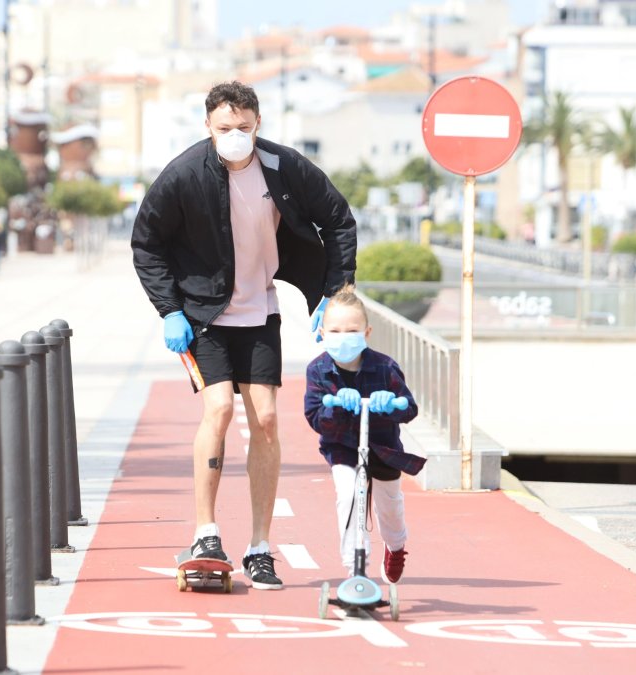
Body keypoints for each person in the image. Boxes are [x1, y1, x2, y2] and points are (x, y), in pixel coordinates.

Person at [131, 80, 357, 590]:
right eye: (225, 128)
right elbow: (147, 242)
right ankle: (205, 533)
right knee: (219, 410)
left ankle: (259, 546)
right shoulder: (184, 174)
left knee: (269, 421)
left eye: (245, 128)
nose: (235, 136)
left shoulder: (283, 166)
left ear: (259, 125)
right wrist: (170, 309)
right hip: (203, 316)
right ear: (207, 127)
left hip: (262, 313)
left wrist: (334, 290)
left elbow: (339, 220)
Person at [303, 285, 422, 583]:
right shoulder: (318, 371)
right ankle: (355, 568)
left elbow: (409, 409)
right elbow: (316, 418)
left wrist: (389, 404)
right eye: (335, 330)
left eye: (351, 330)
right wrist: (337, 407)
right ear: (322, 332)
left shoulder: (385, 367)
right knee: (348, 497)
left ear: (367, 332)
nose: (344, 337)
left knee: (390, 506)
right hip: (343, 447)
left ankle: (395, 547)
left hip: (384, 447)